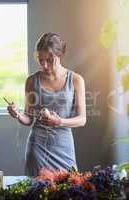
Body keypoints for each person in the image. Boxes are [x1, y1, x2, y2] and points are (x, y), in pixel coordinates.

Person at [7, 32, 86, 176]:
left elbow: (82, 119)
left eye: (49, 60)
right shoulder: (31, 81)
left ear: (60, 54)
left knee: (70, 190)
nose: (44, 65)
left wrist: (59, 121)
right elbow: (29, 118)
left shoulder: (75, 80)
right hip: (37, 148)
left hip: (64, 147)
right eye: (40, 60)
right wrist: (18, 114)